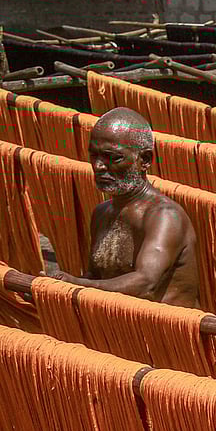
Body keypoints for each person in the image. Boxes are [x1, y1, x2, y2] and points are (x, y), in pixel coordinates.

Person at [48, 107, 199, 308]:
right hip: (121, 330)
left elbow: (145, 284)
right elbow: (96, 277)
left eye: (113, 158)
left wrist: (75, 284)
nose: (99, 166)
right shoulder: (101, 213)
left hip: (166, 334)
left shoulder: (164, 216)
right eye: (94, 156)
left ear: (144, 160)